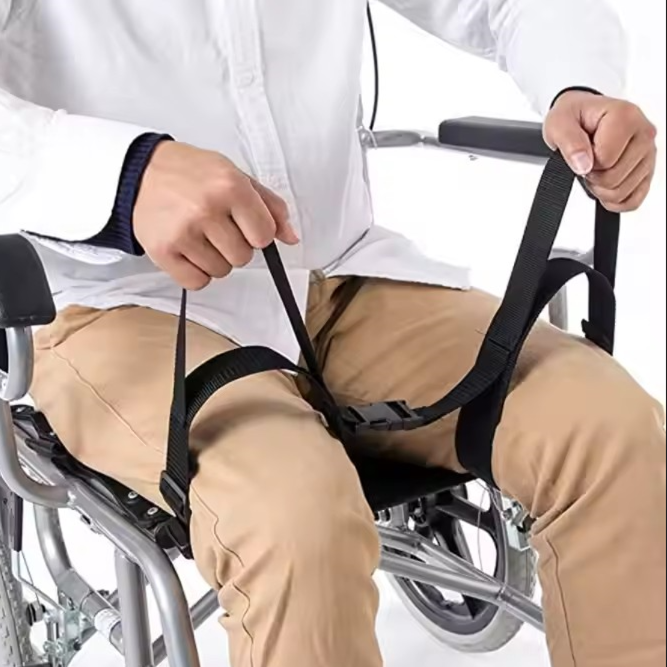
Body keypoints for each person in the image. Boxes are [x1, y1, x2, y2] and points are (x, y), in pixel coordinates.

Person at [1, 1, 664, 666]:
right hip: (116, 302)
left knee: (606, 428)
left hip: (336, 270)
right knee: (294, 515)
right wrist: (125, 176)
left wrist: (578, 88)